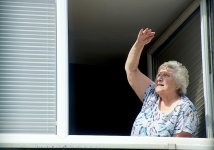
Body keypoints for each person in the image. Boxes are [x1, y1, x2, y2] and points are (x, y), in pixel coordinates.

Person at [125, 28, 198, 137]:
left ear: (179, 84)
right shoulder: (151, 94)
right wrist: (139, 44)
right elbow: (131, 70)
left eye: (166, 75)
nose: (159, 78)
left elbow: (179, 146)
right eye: (159, 74)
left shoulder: (185, 108)